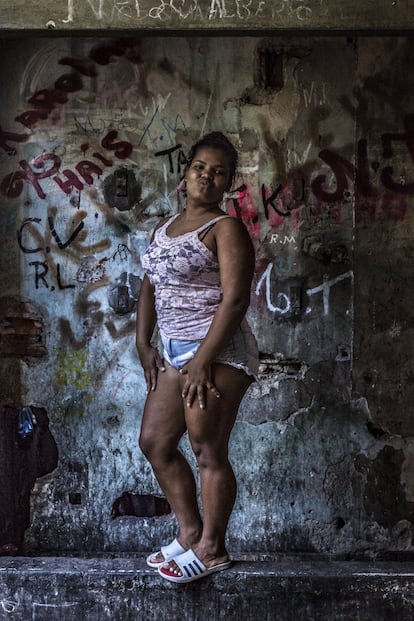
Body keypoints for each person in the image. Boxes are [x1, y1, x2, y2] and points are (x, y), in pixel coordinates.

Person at [136, 131, 258, 584]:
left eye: (219, 172)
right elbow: (150, 286)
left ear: (229, 184)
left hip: (219, 351)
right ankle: (188, 533)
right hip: (173, 351)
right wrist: (143, 344)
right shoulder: (163, 229)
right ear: (185, 173)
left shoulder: (226, 229)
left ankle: (212, 548)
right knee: (155, 441)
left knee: (208, 449)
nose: (207, 176)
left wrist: (204, 359)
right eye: (200, 167)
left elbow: (235, 299)